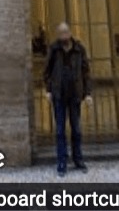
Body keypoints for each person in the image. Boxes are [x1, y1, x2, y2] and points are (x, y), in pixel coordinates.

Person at [43, 22, 92, 176]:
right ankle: (62, 161)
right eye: (61, 33)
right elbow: (47, 71)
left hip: (75, 94)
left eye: (65, 32)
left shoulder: (79, 49)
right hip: (59, 94)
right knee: (59, 131)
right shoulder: (54, 49)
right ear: (58, 35)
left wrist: (88, 93)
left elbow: (86, 72)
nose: (64, 35)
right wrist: (48, 90)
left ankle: (78, 159)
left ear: (70, 33)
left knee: (76, 129)